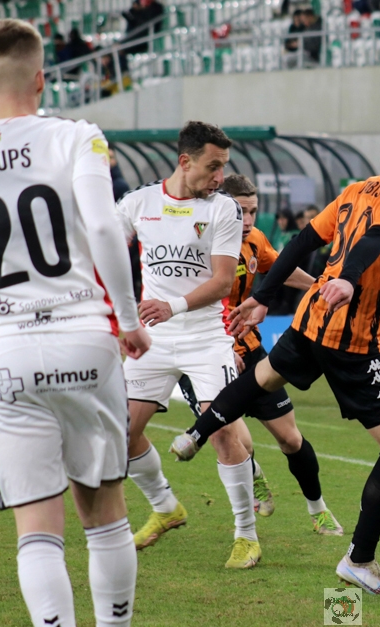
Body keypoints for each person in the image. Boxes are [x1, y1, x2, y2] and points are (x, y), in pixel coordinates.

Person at [170, 111, 380, 595]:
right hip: (354, 339)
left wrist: (263, 296)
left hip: (310, 320)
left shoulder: (357, 189)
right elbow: (378, 238)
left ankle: (197, 433)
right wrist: (350, 279)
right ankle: (359, 560)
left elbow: (305, 239)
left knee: (263, 376)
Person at [0, 18, 150, 627]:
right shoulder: (76, 137)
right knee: (105, 514)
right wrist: (130, 320)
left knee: (36, 530)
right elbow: (105, 227)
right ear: (41, 78)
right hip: (84, 339)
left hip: (4, 351)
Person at [115, 121, 264, 569]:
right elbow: (102, 252)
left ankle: (246, 536)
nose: (220, 177)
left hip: (205, 337)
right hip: (153, 338)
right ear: (185, 161)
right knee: (121, 433)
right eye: (213, 167)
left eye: (224, 167)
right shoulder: (138, 203)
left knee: (221, 431)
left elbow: (223, 281)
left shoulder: (223, 209)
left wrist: (171, 306)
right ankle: (165, 507)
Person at [173, 173, 344, 536]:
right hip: (205, 352)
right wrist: (223, 346)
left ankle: (318, 509)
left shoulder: (255, 240)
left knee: (291, 439)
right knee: (236, 439)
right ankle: (252, 478)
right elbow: (186, 302)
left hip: (250, 351)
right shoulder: (197, 242)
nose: (248, 220)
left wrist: (319, 287)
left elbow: (279, 269)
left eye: (253, 211)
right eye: (241, 211)